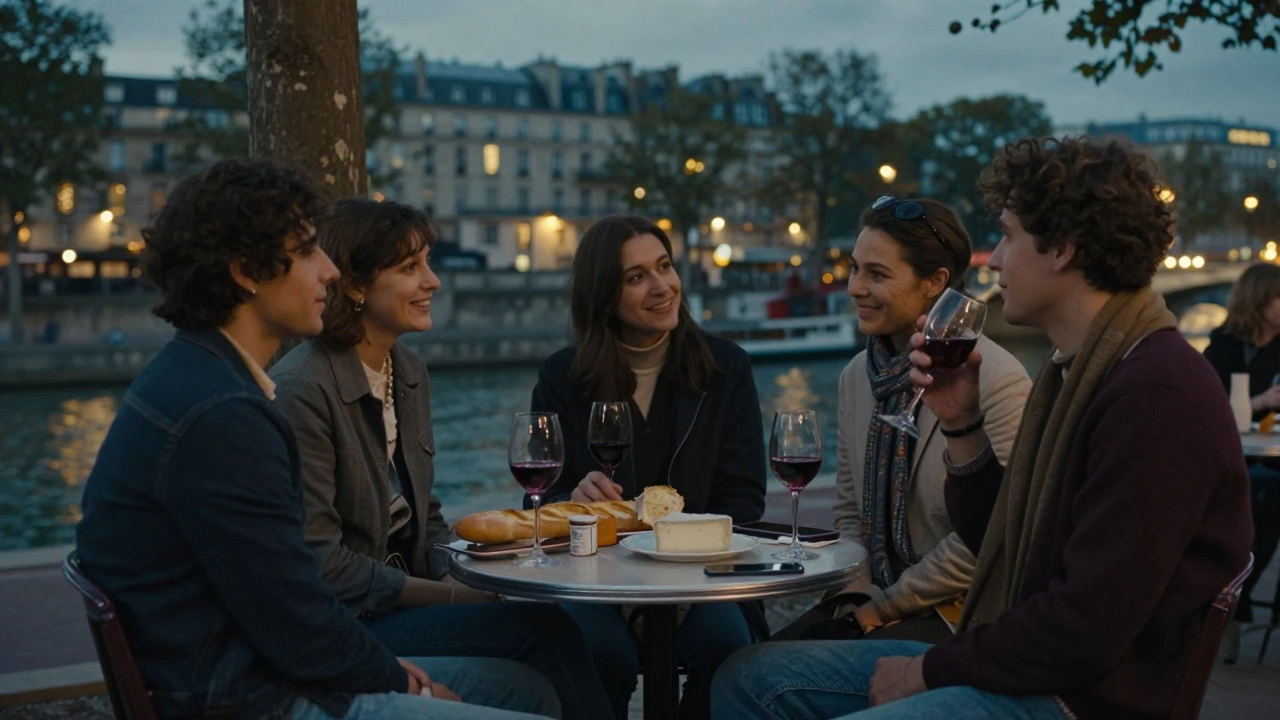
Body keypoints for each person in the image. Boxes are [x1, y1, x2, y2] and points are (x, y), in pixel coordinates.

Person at [712, 136, 1253, 719]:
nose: (993, 261)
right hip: (1036, 664)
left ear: (1063, 249)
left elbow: (1083, 629)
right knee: (748, 677)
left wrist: (927, 669)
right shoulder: (1085, 373)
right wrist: (962, 424)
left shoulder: (1155, 395)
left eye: (1009, 236)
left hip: (1078, 700)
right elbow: (1009, 542)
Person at [76, 160, 559, 720]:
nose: (330, 271)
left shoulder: (196, 378)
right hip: (249, 697)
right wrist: (405, 683)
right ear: (246, 270)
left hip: (245, 671)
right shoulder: (225, 414)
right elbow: (296, 614)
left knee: (528, 694)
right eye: (308, 251)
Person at [270, 198, 613, 720]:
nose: (433, 281)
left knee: (545, 629)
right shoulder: (303, 390)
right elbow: (323, 566)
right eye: (411, 268)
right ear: (357, 286)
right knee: (545, 632)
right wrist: (450, 597)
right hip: (349, 624)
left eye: (428, 262)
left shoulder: (405, 370)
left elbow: (423, 515)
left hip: (394, 600)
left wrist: (477, 571)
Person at [530, 214, 768, 720]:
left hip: (703, 576)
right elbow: (540, 503)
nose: (663, 287)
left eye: (665, 266)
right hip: (596, 583)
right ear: (603, 296)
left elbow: (742, 500)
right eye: (637, 277)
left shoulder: (727, 368)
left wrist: (686, 581)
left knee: (726, 645)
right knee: (599, 655)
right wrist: (573, 497)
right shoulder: (561, 378)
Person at [773, 198, 1030, 644]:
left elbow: (985, 541)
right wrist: (853, 596)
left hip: (959, 618)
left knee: (761, 680)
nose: (854, 287)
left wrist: (879, 610)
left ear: (935, 282)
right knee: (733, 669)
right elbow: (852, 513)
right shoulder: (859, 375)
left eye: (877, 274)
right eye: (854, 269)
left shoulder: (997, 379)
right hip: (874, 600)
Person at [1202, 262, 1280, 657]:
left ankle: (1234, 602)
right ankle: (1234, 602)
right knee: (1256, 496)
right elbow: (1211, 412)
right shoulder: (1223, 346)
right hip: (1233, 457)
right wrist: (1262, 402)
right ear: (1260, 300)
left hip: (1272, 460)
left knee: (1268, 495)